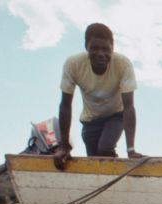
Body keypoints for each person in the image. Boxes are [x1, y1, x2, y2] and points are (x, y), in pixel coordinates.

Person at [52, 23, 139, 170]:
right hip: (90, 121)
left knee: (105, 148)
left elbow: (129, 106)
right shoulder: (73, 64)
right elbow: (65, 105)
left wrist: (131, 150)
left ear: (112, 49)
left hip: (116, 115)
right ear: (86, 47)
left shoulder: (123, 65)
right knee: (94, 164)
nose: (100, 53)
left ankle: (121, 177)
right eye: (95, 48)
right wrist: (64, 146)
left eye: (106, 49)